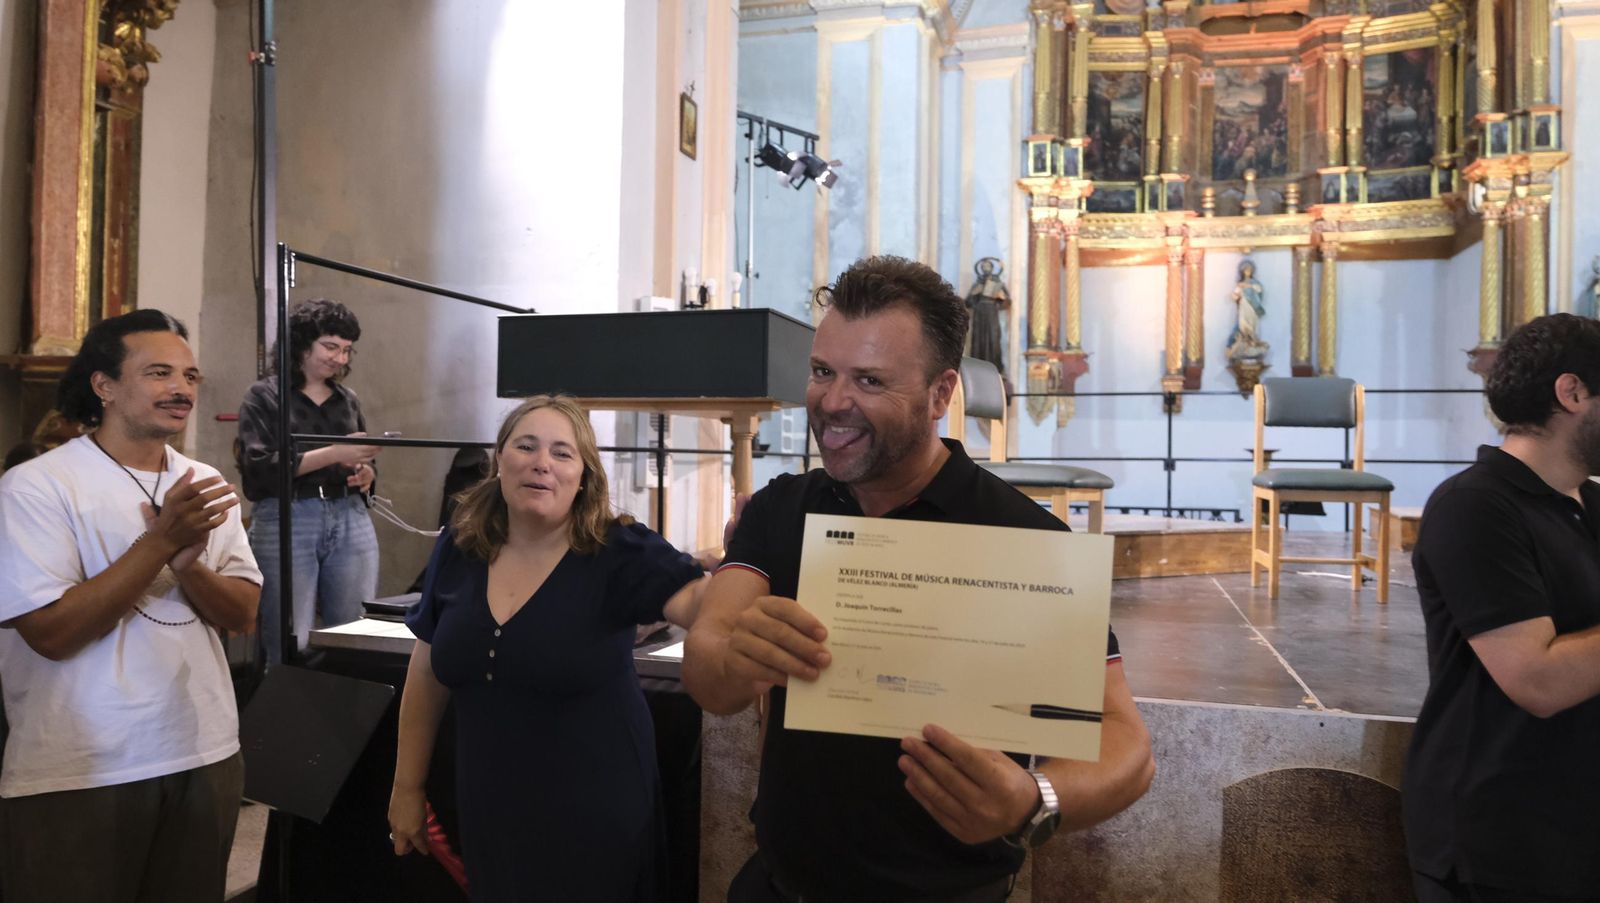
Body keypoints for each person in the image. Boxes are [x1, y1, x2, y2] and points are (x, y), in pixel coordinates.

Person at [682, 255, 1155, 902]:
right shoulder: (781, 509)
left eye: (870, 380)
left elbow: (1126, 742)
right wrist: (740, 657)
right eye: (824, 371)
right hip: (781, 884)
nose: (833, 401)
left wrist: (1033, 800)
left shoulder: (1022, 538)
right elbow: (706, 671)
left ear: (940, 394)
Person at [388, 395, 708, 902]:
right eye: (526, 446)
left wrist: (748, 583)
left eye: (563, 453)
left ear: (585, 474)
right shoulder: (462, 545)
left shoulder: (617, 550)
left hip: (595, 815)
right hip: (491, 807)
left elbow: (702, 602)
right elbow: (427, 670)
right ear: (499, 460)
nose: (542, 463)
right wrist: (407, 787)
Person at [0, 309, 261, 903]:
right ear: (105, 385)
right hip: (82, 764)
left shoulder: (203, 481)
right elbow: (52, 632)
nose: (181, 390)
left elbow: (243, 614)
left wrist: (190, 565)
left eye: (191, 377)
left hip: (203, 750)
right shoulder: (39, 487)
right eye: (160, 373)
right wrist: (163, 543)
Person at [1405, 313, 1600, 902]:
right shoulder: (1475, 506)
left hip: (1574, 827)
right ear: (1572, 393)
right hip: (1499, 839)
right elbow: (1536, 680)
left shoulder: (1589, 502)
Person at [237, 298, 381, 663]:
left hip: (349, 513)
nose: (340, 359)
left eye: (347, 350)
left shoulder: (347, 399)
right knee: (290, 640)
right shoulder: (265, 395)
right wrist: (335, 453)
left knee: (355, 634)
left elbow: (356, 457)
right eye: (330, 347)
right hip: (289, 515)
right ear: (302, 344)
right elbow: (258, 470)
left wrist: (366, 474)